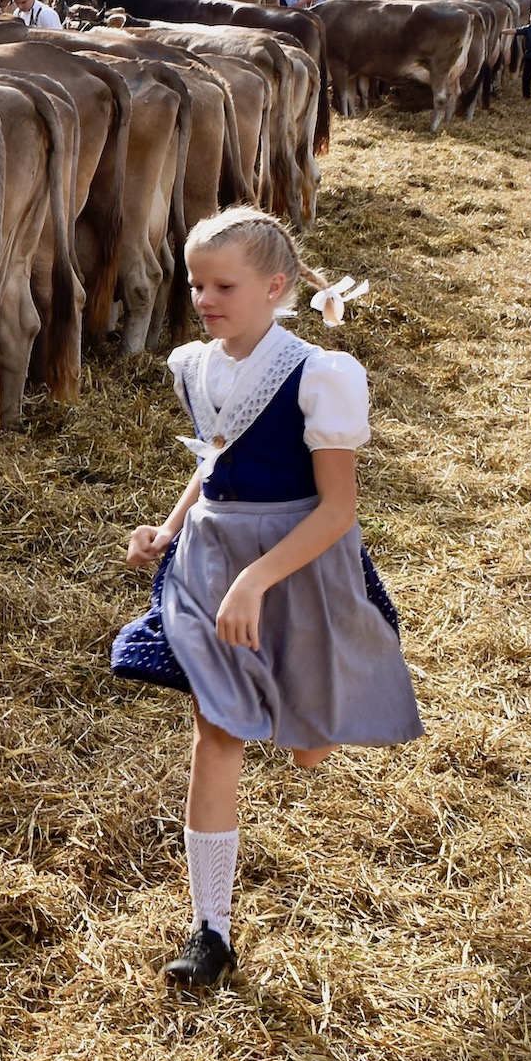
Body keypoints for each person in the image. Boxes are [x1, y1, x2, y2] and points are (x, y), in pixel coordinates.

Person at [113, 207, 421, 990]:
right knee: (216, 731)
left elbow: (338, 509)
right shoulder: (194, 365)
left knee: (306, 744)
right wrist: (167, 529)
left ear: (275, 287)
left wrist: (257, 579)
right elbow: (213, 458)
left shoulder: (319, 376)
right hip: (211, 562)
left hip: (297, 564)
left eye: (223, 285)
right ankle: (209, 928)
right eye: (196, 284)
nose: (203, 299)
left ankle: (311, 716)